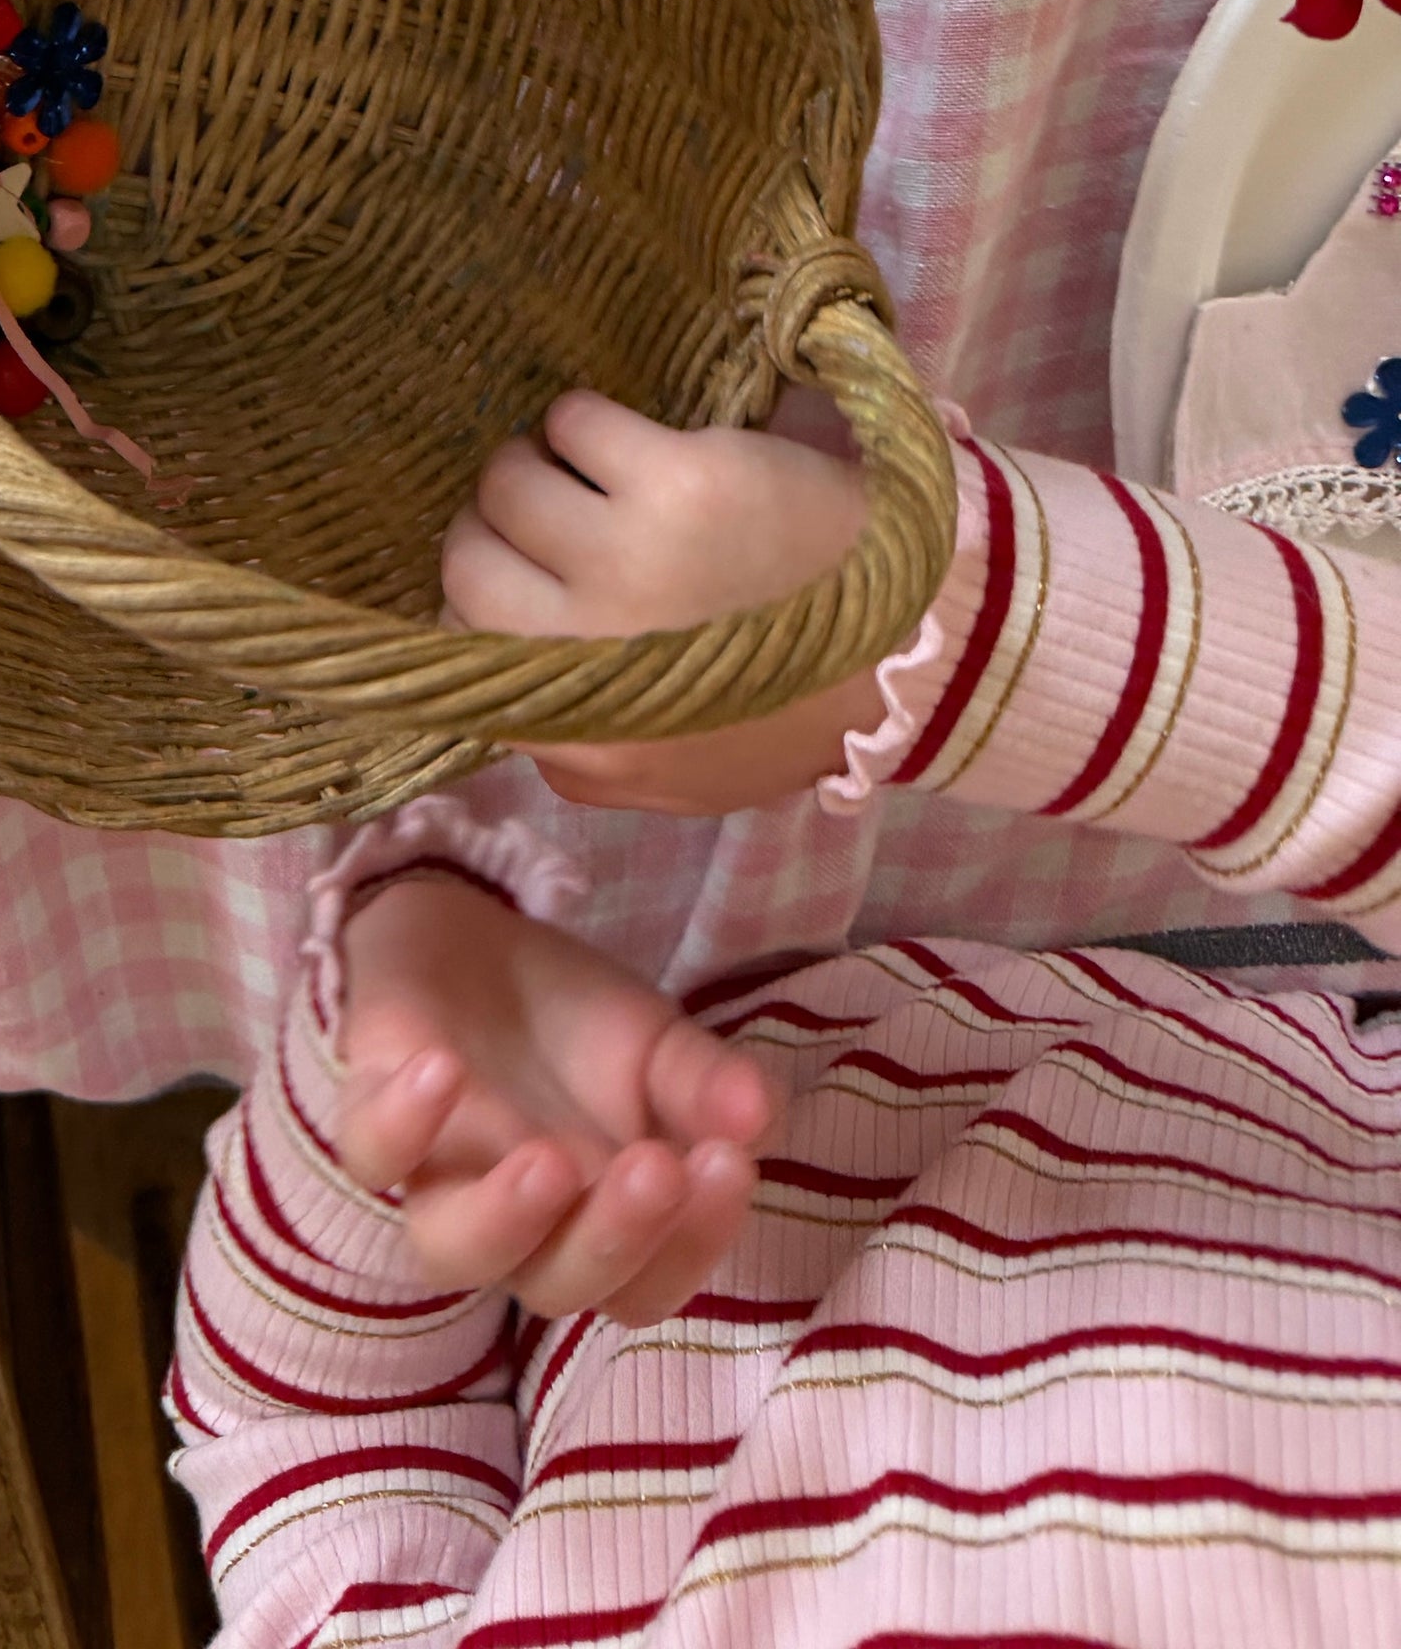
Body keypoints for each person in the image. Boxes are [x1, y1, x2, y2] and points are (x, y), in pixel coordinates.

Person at [169, 392, 1401, 1642]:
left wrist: (398, 1054)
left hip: (642, 964)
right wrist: (951, 626)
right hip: (1210, 796)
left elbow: (308, 1443)